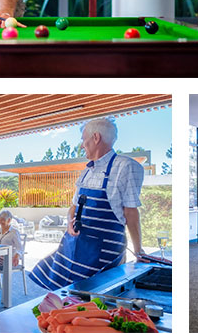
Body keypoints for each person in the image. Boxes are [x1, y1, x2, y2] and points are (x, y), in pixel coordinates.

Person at [29, 118, 145, 291]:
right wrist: (70, 223)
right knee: (64, 298)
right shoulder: (86, 172)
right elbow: (73, 207)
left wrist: (138, 251)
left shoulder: (126, 166)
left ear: (96, 138)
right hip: (72, 247)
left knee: (94, 301)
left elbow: (130, 212)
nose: (82, 145)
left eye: (84, 139)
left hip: (102, 253)